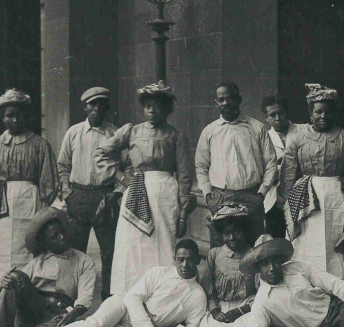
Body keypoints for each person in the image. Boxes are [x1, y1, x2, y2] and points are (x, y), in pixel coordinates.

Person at [12, 239, 206, 327]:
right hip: (123, 306)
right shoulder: (159, 272)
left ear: (198, 260)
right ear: (174, 259)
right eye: (180, 260)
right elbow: (133, 297)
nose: (185, 265)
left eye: (190, 260)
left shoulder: (197, 296)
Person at [0, 89, 59, 327]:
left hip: (29, 204)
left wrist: (41, 213)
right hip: (1, 205)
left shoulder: (39, 145)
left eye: (19, 115)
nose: (15, 120)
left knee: (24, 257)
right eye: (10, 115)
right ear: (3, 117)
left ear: (27, 116)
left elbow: (49, 183)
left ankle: (19, 326)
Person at [94, 80, 193, 295]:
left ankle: (163, 294)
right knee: (133, 244)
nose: (151, 110)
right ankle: (130, 295)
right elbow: (101, 153)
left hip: (166, 193)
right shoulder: (131, 131)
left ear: (166, 108)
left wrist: (183, 211)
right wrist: (121, 177)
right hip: (137, 190)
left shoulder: (176, 135)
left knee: (163, 242)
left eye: (156, 105)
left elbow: (185, 175)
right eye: (147, 105)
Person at [279, 83, 344, 277]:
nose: (323, 116)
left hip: (338, 194)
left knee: (336, 239)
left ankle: (337, 282)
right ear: (311, 114)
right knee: (307, 240)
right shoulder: (298, 138)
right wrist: (286, 200)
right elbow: (287, 172)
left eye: (328, 112)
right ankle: (306, 281)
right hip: (306, 196)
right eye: (318, 112)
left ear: (334, 113)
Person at [0, 208, 96, 327]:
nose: (62, 237)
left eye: (62, 232)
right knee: (15, 276)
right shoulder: (37, 262)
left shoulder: (83, 261)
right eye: (54, 237)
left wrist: (73, 314)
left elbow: (85, 298)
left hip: (59, 315)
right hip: (33, 310)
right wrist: (6, 281)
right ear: (46, 243)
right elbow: (13, 288)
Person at [195, 82, 276, 247]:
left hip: (251, 196)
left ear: (239, 99)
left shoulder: (257, 128)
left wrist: (261, 194)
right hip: (221, 198)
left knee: (255, 247)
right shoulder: (209, 131)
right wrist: (209, 196)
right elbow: (201, 166)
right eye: (221, 99)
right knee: (221, 249)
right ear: (216, 103)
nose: (225, 103)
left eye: (230, 98)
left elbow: (271, 163)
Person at [57, 86, 118, 300]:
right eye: (92, 104)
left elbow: (126, 167)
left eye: (101, 104)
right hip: (78, 195)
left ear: (106, 107)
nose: (96, 109)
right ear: (85, 107)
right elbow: (62, 165)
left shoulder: (115, 134)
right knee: (74, 250)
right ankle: (72, 299)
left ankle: (108, 298)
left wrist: (115, 193)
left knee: (110, 251)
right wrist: (67, 193)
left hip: (105, 196)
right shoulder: (73, 133)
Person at [193, 204, 258, 327]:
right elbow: (209, 291)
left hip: (247, 307)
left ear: (245, 231)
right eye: (227, 233)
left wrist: (240, 311)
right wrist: (215, 312)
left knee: (252, 326)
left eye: (237, 232)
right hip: (222, 308)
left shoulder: (254, 255)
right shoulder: (214, 255)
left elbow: (261, 293)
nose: (232, 238)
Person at [260, 94, 301, 238]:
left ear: (286, 112)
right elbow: (261, 169)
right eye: (272, 115)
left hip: (300, 194)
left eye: (280, 113)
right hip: (274, 199)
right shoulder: (264, 138)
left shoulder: (302, 131)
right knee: (277, 238)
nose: (277, 118)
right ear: (266, 117)